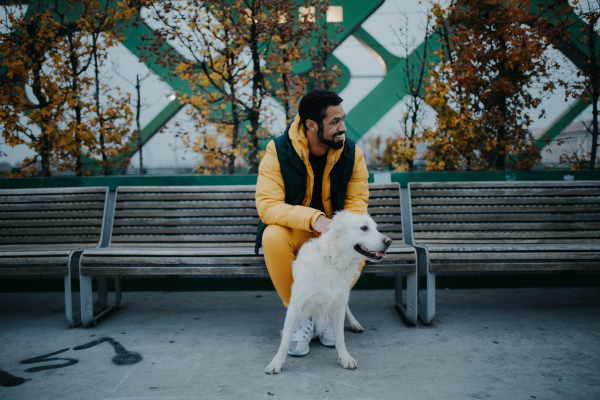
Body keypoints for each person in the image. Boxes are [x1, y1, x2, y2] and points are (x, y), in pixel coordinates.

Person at [255, 89, 369, 357]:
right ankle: (301, 317)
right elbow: (268, 205)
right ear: (311, 125)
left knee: (357, 241)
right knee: (272, 237)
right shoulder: (278, 150)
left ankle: (329, 315)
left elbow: (356, 207)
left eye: (342, 119)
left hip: (334, 234)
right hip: (297, 231)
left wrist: (336, 229)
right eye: (334, 122)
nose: (343, 128)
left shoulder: (353, 154)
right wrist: (314, 219)